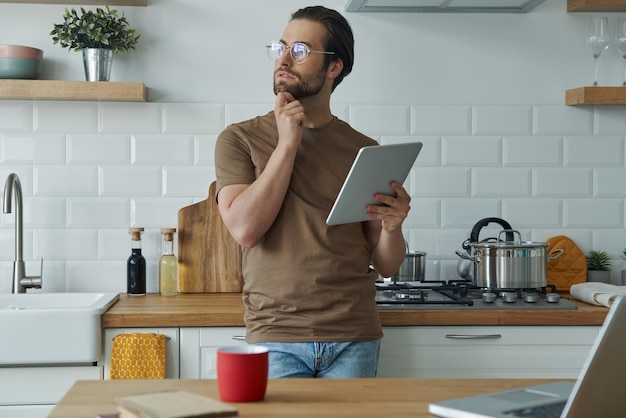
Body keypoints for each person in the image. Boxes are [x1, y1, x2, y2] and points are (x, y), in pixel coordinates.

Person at [214, 5, 411, 378]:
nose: (284, 59)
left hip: (354, 336)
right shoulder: (239, 139)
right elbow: (245, 229)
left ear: (333, 67)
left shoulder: (363, 149)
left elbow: (387, 264)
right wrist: (288, 144)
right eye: (281, 47)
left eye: (300, 51)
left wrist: (393, 226)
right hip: (276, 336)